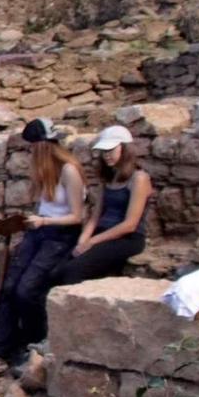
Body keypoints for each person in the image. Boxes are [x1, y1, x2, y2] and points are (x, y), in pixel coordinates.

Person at [0, 118, 85, 377]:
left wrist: (44, 221)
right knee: (9, 287)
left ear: (42, 147)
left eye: (31, 148)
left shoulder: (69, 171)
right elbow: (46, 207)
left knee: (27, 290)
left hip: (60, 235)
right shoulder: (43, 171)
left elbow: (77, 216)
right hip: (39, 231)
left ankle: (33, 342)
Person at [49, 124, 153, 290]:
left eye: (111, 150)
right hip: (101, 233)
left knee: (73, 271)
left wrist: (92, 242)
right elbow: (95, 216)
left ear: (124, 149)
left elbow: (130, 224)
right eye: (104, 151)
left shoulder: (138, 178)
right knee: (55, 272)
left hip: (126, 239)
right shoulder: (109, 178)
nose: (107, 155)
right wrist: (83, 239)